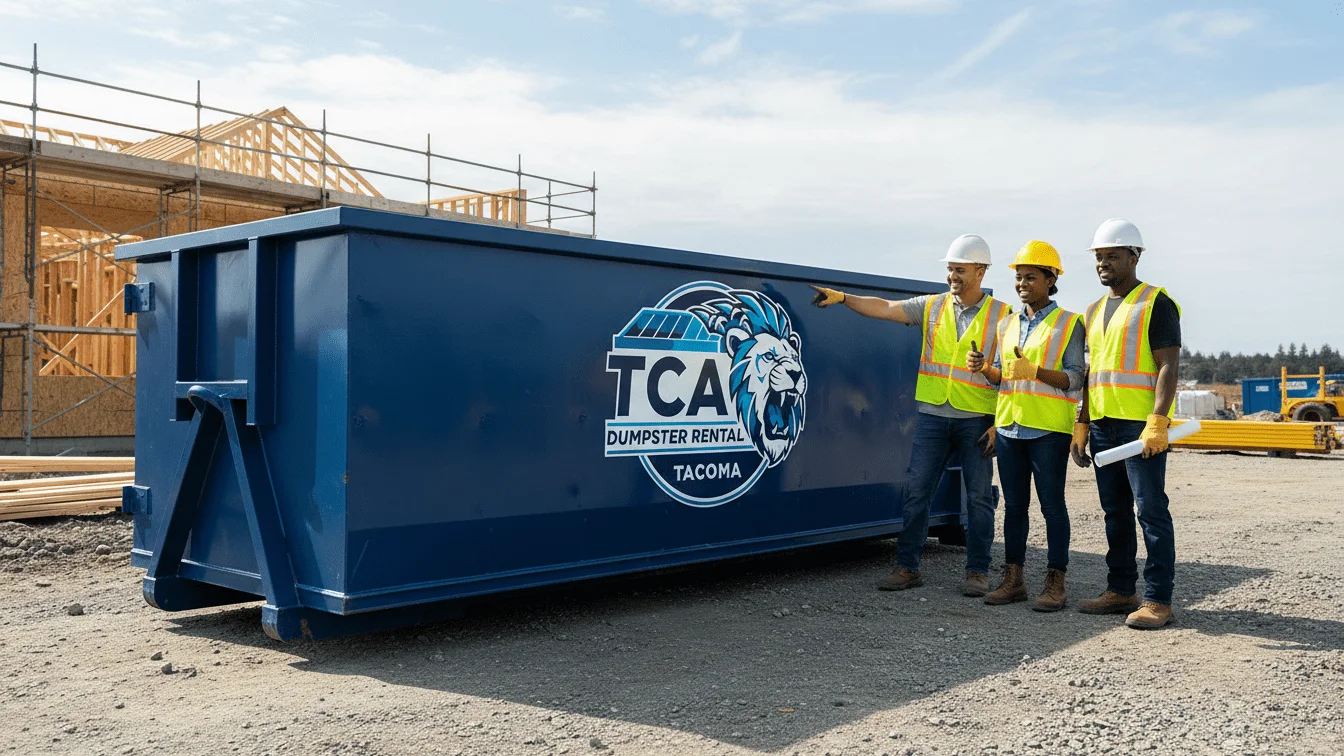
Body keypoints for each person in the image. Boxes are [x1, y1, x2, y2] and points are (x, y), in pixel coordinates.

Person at [810, 234, 1012, 597]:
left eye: (960, 270)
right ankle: (907, 566)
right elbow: (885, 308)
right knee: (917, 492)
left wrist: (1000, 423)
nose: (952, 276)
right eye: (950, 269)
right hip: (933, 416)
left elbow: (1010, 374)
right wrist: (843, 299)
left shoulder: (1003, 315)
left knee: (980, 498)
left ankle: (978, 571)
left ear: (980, 272)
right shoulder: (933, 306)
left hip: (977, 420)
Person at [1069, 219, 1182, 630]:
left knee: (1150, 511)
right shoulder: (1094, 310)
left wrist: (1158, 420)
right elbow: (1091, 372)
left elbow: (1169, 364)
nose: (1103, 264)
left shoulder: (1156, 303)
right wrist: (1081, 423)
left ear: (1135, 257)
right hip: (1101, 425)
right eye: (1099, 257)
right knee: (1114, 512)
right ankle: (1120, 590)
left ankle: (1157, 600)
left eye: (1112, 256)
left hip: (1139, 428)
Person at [965, 241, 1084, 612]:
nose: (1022, 284)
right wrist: (984, 367)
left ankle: (1055, 582)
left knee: (1052, 507)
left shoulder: (1069, 323)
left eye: (1031, 277)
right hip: (1011, 428)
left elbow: (1076, 379)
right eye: (1018, 278)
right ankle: (1013, 579)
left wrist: (1037, 371)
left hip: (1048, 430)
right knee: (1014, 507)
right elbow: (1004, 378)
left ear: (1051, 280)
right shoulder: (1007, 324)